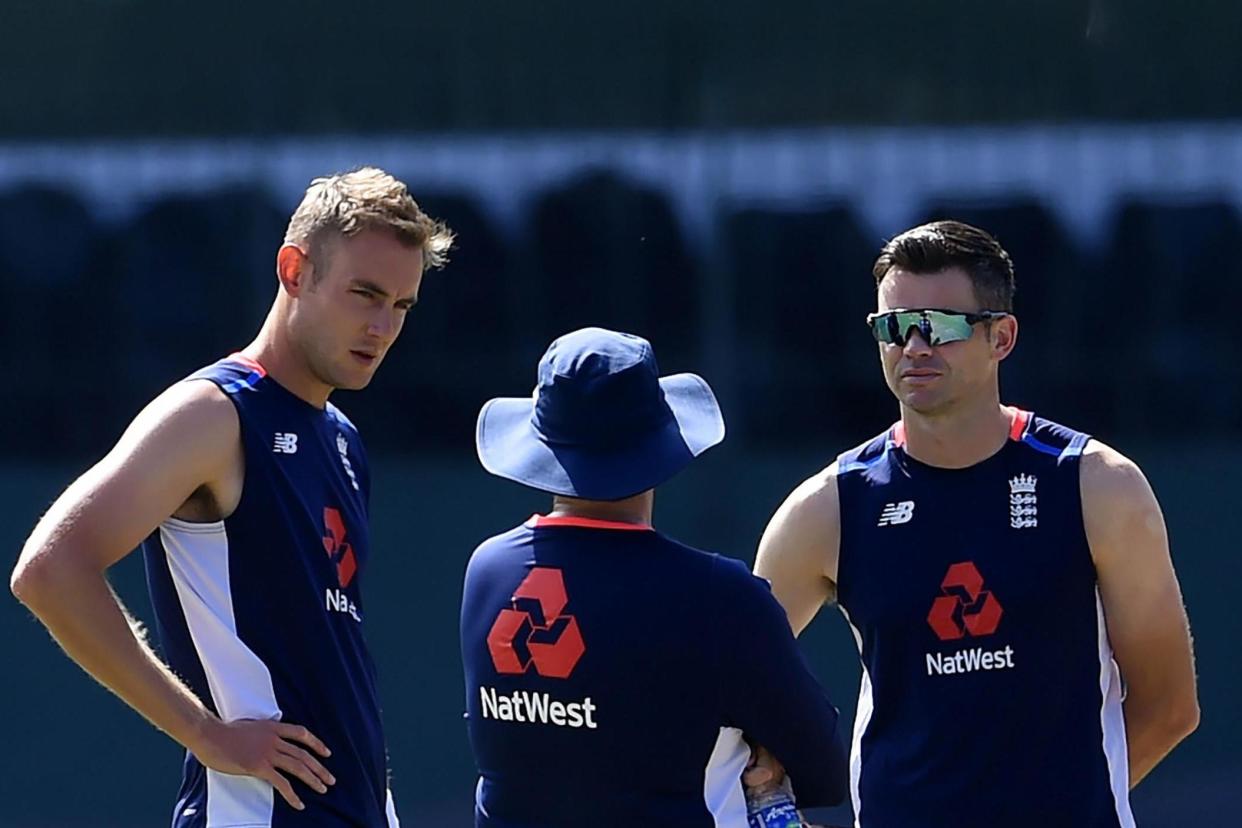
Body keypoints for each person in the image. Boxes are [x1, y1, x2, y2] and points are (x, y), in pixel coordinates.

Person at [10, 167, 453, 827]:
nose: (383, 327)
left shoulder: (341, 437)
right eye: (365, 294)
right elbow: (49, 571)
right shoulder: (214, 414)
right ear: (294, 269)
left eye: (402, 305)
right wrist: (205, 733)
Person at [753, 221, 1199, 827]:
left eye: (938, 326)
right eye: (893, 327)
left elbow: (1169, 705)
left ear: (1002, 337)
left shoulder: (1097, 484)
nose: (913, 346)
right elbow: (739, 686)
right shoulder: (827, 507)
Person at [460, 327, 848, 827]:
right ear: (662, 442)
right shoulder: (720, 596)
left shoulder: (486, 569)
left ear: (541, 441)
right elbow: (825, 772)